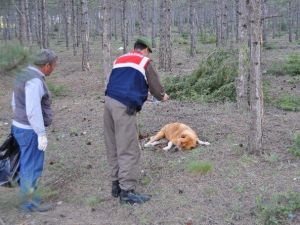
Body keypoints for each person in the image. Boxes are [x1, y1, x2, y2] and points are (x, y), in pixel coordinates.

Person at [104, 37, 169, 204]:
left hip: (109, 102)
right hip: (124, 106)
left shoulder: (119, 59)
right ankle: (127, 192)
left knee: (113, 145)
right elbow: (154, 86)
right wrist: (162, 96)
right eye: (149, 51)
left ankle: (116, 185)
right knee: (129, 148)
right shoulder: (144, 61)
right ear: (145, 49)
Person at [11, 49, 58, 212]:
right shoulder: (35, 81)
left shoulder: (23, 74)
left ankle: (27, 199)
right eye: (53, 65)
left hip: (18, 125)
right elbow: (33, 110)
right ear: (46, 65)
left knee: (26, 164)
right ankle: (29, 204)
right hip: (29, 130)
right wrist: (41, 134)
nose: (54, 69)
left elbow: (14, 101)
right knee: (32, 166)